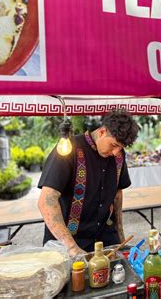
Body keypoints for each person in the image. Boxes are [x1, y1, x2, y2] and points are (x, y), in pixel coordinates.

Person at [37, 110, 139, 257]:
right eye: (114, 145)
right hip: (69, 243)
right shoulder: (69, 149)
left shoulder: (118, 156)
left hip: (105, 241)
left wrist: (121, 237)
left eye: (121, 148)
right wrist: (72, 248)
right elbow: (46, 201)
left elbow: (117, 194)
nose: (116, 152)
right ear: (102, 131)